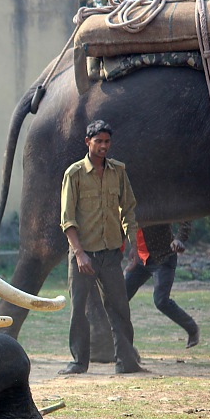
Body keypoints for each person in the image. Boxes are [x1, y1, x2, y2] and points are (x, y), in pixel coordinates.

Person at [59, 120, 146, 374]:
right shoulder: (73, 174)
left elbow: (128, 209)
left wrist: (131, 244)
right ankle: (78, 362)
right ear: (88, 142)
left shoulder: (118, 171)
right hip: (82, 255)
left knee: (120, 307)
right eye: (99, 141)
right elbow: (67, 219)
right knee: (79, 310)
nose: (104, 146)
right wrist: (79, 254)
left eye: (107, 141)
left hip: (110, 254)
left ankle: (127, 363)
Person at [125, 222, 200, 348]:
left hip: (163, 257)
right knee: (119, 298)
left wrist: (179, 239)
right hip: (140, 259)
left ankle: (192, 328)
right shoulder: (126, 205)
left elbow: (185, 218)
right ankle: (126, 349)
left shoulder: (156, 203)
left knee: (161, 301)